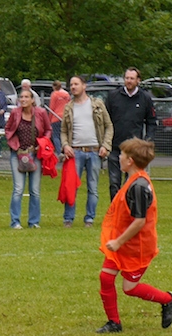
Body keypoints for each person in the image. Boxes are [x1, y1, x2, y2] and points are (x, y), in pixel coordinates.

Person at [96, 138, 172, 333]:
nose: (119, 157)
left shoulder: (139, 186)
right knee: (106, 277)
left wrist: (118, 241)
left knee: (130, 288)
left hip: (137, 246)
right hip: (124, 242)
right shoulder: (133, 179)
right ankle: (114, 323)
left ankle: (168, 299)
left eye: (122, 154)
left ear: (130, 160)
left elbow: (139, 221)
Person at [60, 76, 113, 228]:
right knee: (71, 186)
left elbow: (109, 126)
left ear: (84, 86)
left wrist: (105, 146)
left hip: (95, 151)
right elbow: (63, 131)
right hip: (75, 152)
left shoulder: (97, 104)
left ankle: (89, 218)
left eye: (76, 84)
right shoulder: (68, 107)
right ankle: (68, 219)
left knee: (93, 187)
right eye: (71, 84)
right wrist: (65, 145)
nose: (73, 87)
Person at [105, 67, 156, 201]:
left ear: (138, 80)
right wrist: (104, 142)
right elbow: (105, 120)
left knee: (131, 184)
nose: (129, 81)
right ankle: (115, 209)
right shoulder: (113, 96)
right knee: (114, 183)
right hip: (115, 147)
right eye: (127, 78)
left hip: (134, 150)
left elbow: (151, 121)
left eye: (132, 78)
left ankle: (129, 208)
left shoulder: (145, 98)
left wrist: (147, 140)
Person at [5, 90, 51, 229]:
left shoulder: (41, 112)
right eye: (21, 97)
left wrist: (42, 143)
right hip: (18, 154)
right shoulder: (15, 113)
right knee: (18, 189)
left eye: (26, 97)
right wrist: (13, 144)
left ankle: (34, 221)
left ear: (32, 99)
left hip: (35, 154)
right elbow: (8, 129)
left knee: (34, 190)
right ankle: (15, 221)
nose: (23, 99)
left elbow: (48, 129)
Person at [48, 80, 71, 156]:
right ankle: (66, 150)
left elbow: (52, 108)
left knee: (56, 136)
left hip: (56, 117)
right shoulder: (67, 94)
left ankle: (59, 152)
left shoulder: (54, 94)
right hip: (66, 117)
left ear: (54, 86)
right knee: (65, 135)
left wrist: (49, 119)